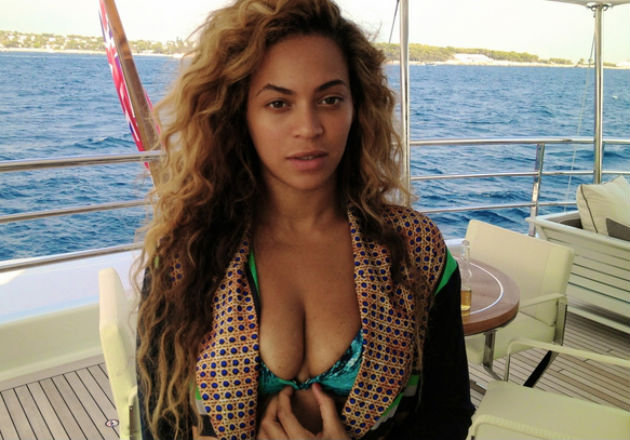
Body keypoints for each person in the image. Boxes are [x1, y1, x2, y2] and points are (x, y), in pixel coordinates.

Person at [135, 0, 475, 439]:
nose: (309, 127)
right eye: (278, 103)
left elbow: (448, 415)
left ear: (357, 107)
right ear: (240, 114)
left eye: (330, 99)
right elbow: (158, 424)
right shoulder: (187, 256)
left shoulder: (415, 249)